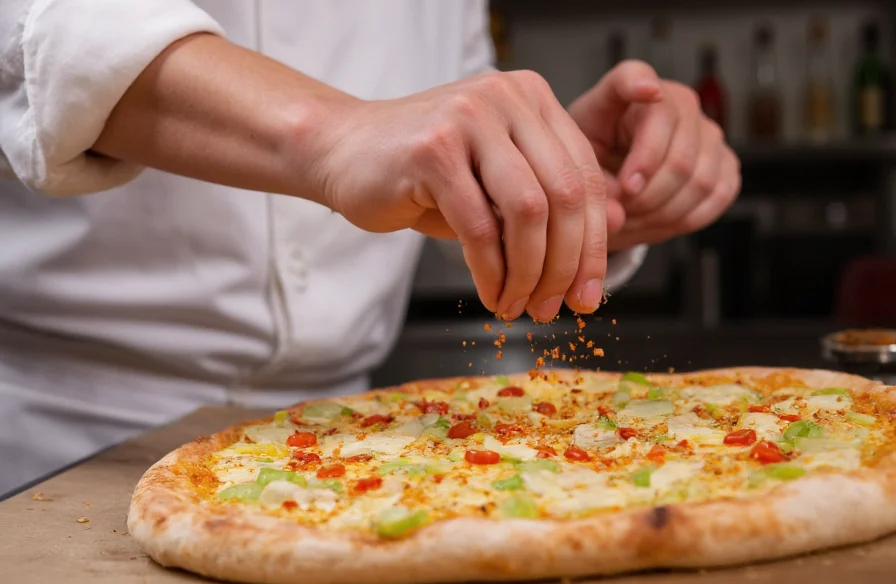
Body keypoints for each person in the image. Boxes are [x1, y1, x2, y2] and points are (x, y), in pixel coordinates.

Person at [0, 0, 740, 496]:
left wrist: (550, 187)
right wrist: (333, 132)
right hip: (65, 435)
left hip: (366, 448)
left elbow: (435, 156)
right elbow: (37, 26)